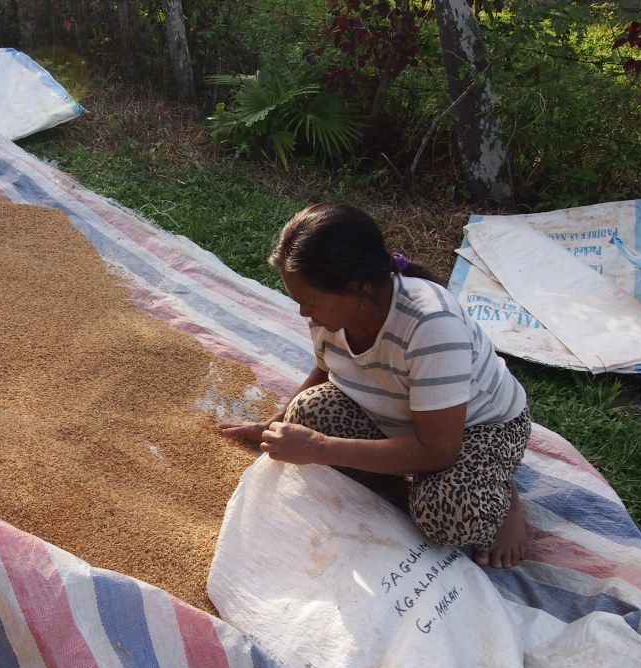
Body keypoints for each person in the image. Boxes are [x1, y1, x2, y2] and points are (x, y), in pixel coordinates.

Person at [219, 203, 532, 568]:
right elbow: (325, 369)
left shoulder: (432, 325)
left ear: (361, 288)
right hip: (398, 417)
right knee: (305, 413)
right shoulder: (330, 312)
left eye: (310, 302)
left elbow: (440, 450)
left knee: (450, 514)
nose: (304, 312)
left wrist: (320, 448)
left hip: (476, 429)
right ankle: (410, 473)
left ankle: (501, 483)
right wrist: (275, 421)